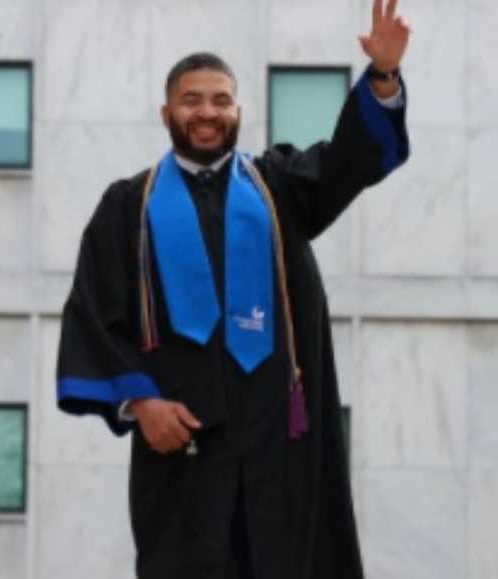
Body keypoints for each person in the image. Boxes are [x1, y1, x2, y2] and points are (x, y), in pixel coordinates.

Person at [56, 1, 410, 578]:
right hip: (182, 454)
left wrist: (384, 78)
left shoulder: (278, 189)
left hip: (279, 449)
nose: (207, 112)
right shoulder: (127, 208)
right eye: (192, 99)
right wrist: (141, 404)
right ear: (166, 111)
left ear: (239, 110)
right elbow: (94, 317)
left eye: (221, 100)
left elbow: (350, 161)